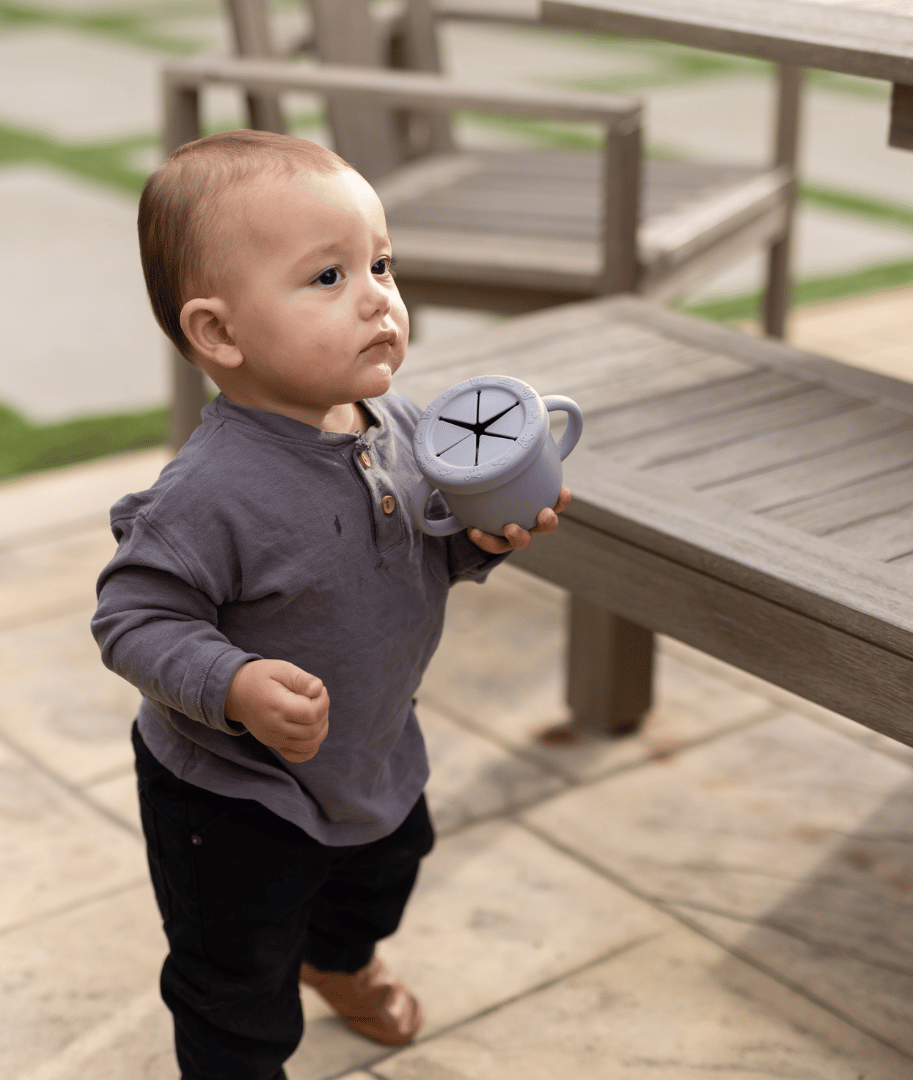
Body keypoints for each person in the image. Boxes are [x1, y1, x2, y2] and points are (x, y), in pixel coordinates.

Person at [91, 128, 570, 1080]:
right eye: (327, 278)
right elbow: (130, 619)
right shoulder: (209, 492)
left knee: (388, 865)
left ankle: (340, 961)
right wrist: (230, 681)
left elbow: (423, 551)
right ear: (219, 332)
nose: (378, 298)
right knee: (234, 979)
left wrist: (478, 540)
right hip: (232, 795)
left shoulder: (406, 425)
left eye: (381, 264)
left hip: (371, 746)